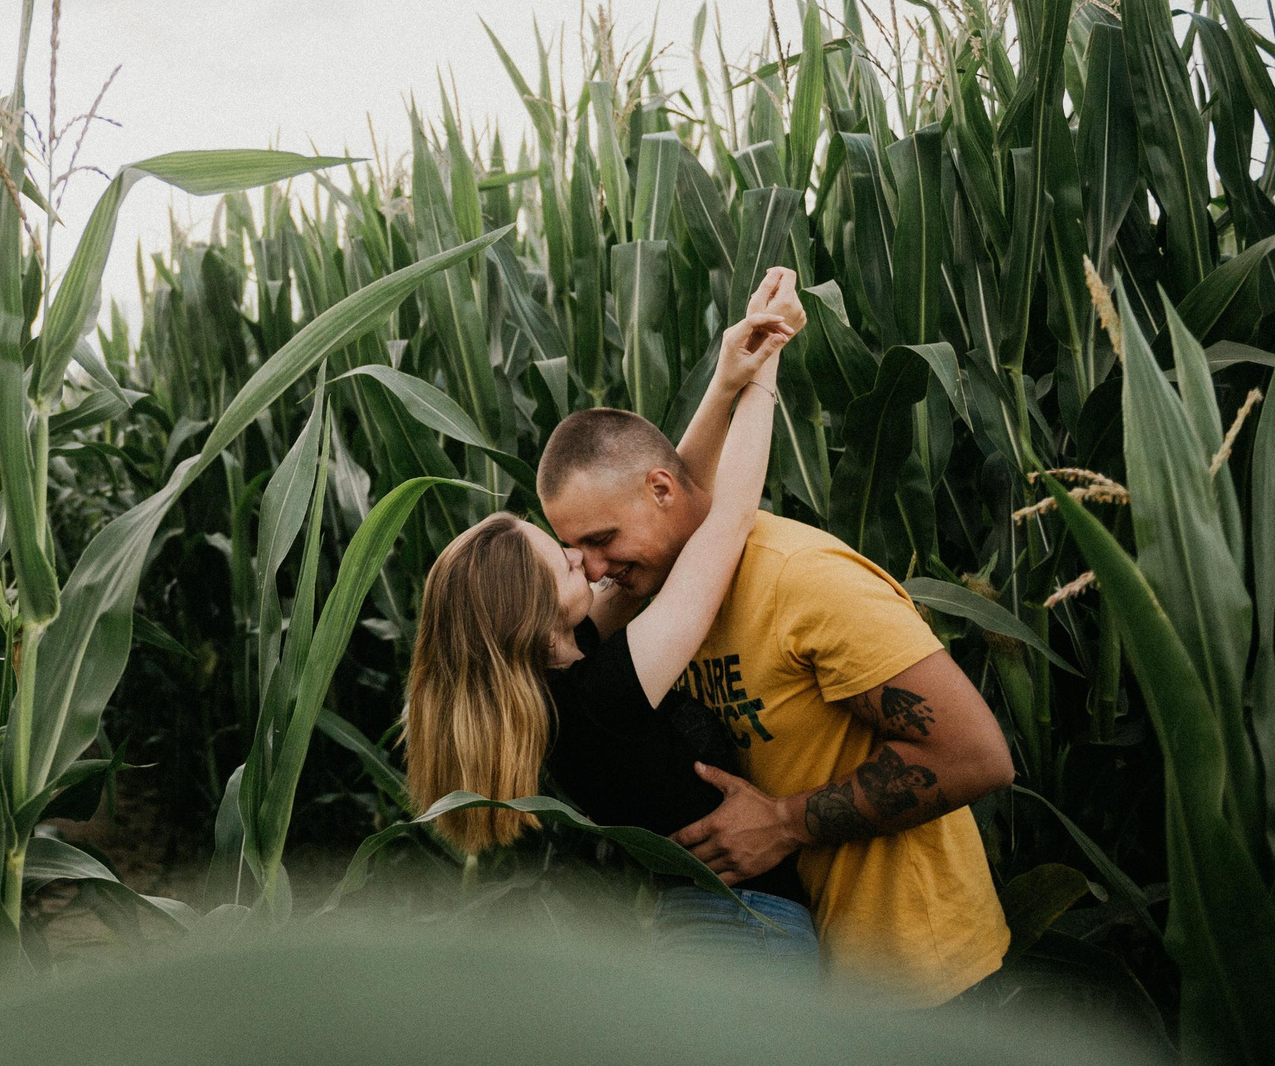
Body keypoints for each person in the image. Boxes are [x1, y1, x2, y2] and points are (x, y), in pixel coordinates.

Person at [540, 318, 1016, 1006]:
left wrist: (787, 822)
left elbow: (978, 755)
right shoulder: (660, 601)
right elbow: (688, 497)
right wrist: (730, 386)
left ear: (662, 490)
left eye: (602, 539)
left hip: (916, 969)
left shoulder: (802, 578)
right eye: (575, 550)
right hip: (798, 965)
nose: (592, 569)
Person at [405, 267, 810, 962]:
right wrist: (768, 365)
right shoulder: (605, 695)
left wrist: (724, 380)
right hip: (745, 931)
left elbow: (666, 495)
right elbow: (725, 521)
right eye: (564, 563)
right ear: (533, 621)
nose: (586, 563)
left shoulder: (563, 679)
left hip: (704, 924)